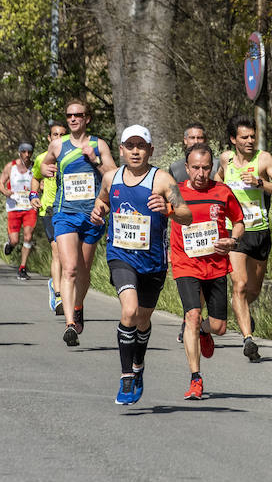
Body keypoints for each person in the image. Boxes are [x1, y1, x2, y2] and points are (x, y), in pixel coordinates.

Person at [91, 124, 192, 405]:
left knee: (143, 320)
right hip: (121, 256)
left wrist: (169, 209)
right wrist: (98, 212)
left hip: (153, 262)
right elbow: (101, 203)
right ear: (121, 150)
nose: (135, 151)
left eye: (141, 146)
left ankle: (138, 366)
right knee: (129, 311)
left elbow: (187, 215)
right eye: (130, 146)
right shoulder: (111, 178)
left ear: (150, 150)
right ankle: (126, 378)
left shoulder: (162, 180)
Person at [38, 99, 117, 345]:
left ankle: (79, 305)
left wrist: (94, 160)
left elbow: (113, 176)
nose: (73, 119)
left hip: (92, 215)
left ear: (87, 118)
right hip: (64, 213)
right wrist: (44, 170)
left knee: (83, 270)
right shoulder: (57, 145)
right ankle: (70, 324)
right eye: (69, 115)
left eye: (78, 115)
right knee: (69, 268)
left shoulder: (98, 144)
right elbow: (44, 163)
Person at [171, 143, 245, 399]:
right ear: (186, 168)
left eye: (205, 168)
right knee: (191, 315)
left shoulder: (222, 192)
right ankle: (195, 379)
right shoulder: (175, 193)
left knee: (220, 327)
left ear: (211, 167)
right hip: (185, 263)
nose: (201, 174)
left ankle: (205, 330)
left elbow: (239, 222)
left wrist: (232, 241)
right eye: (195, 168)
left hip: (215, 265)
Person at [215, 115, 272, 362]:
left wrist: (260, 183)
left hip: (260, 232)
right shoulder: (226, 160)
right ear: (233, 139)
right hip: (234, 232)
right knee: (240, 285)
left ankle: (240, 311)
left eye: (252, 136)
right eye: (244, 137)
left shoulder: (263, 159)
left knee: (253, 290)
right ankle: (248, 339)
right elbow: (216, 184)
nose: (249, 141)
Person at [31, 122, 69, 314]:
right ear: (49, 137)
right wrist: (33, 195)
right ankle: (59, 294)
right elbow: (36, 178)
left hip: (69, 208)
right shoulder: (41, 158)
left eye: (62, 134)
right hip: (49, 209)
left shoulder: (72, 157)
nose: (58, 137)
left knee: (68, 255)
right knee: (57, 251)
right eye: (55, 134)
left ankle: (60, 285)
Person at [0, 142, 38, 280]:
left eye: (29, 152)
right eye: (24, 152)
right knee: (15, 240)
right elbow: (0, 183)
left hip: (29, 208)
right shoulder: (11, 167)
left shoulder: (35, 167)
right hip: (14, 207)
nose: (27, 155)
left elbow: (40, 181)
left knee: (28, 236)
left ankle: (22, 268)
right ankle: (10, 245)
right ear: (19, 152)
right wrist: (5, 191)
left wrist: (41, 187)